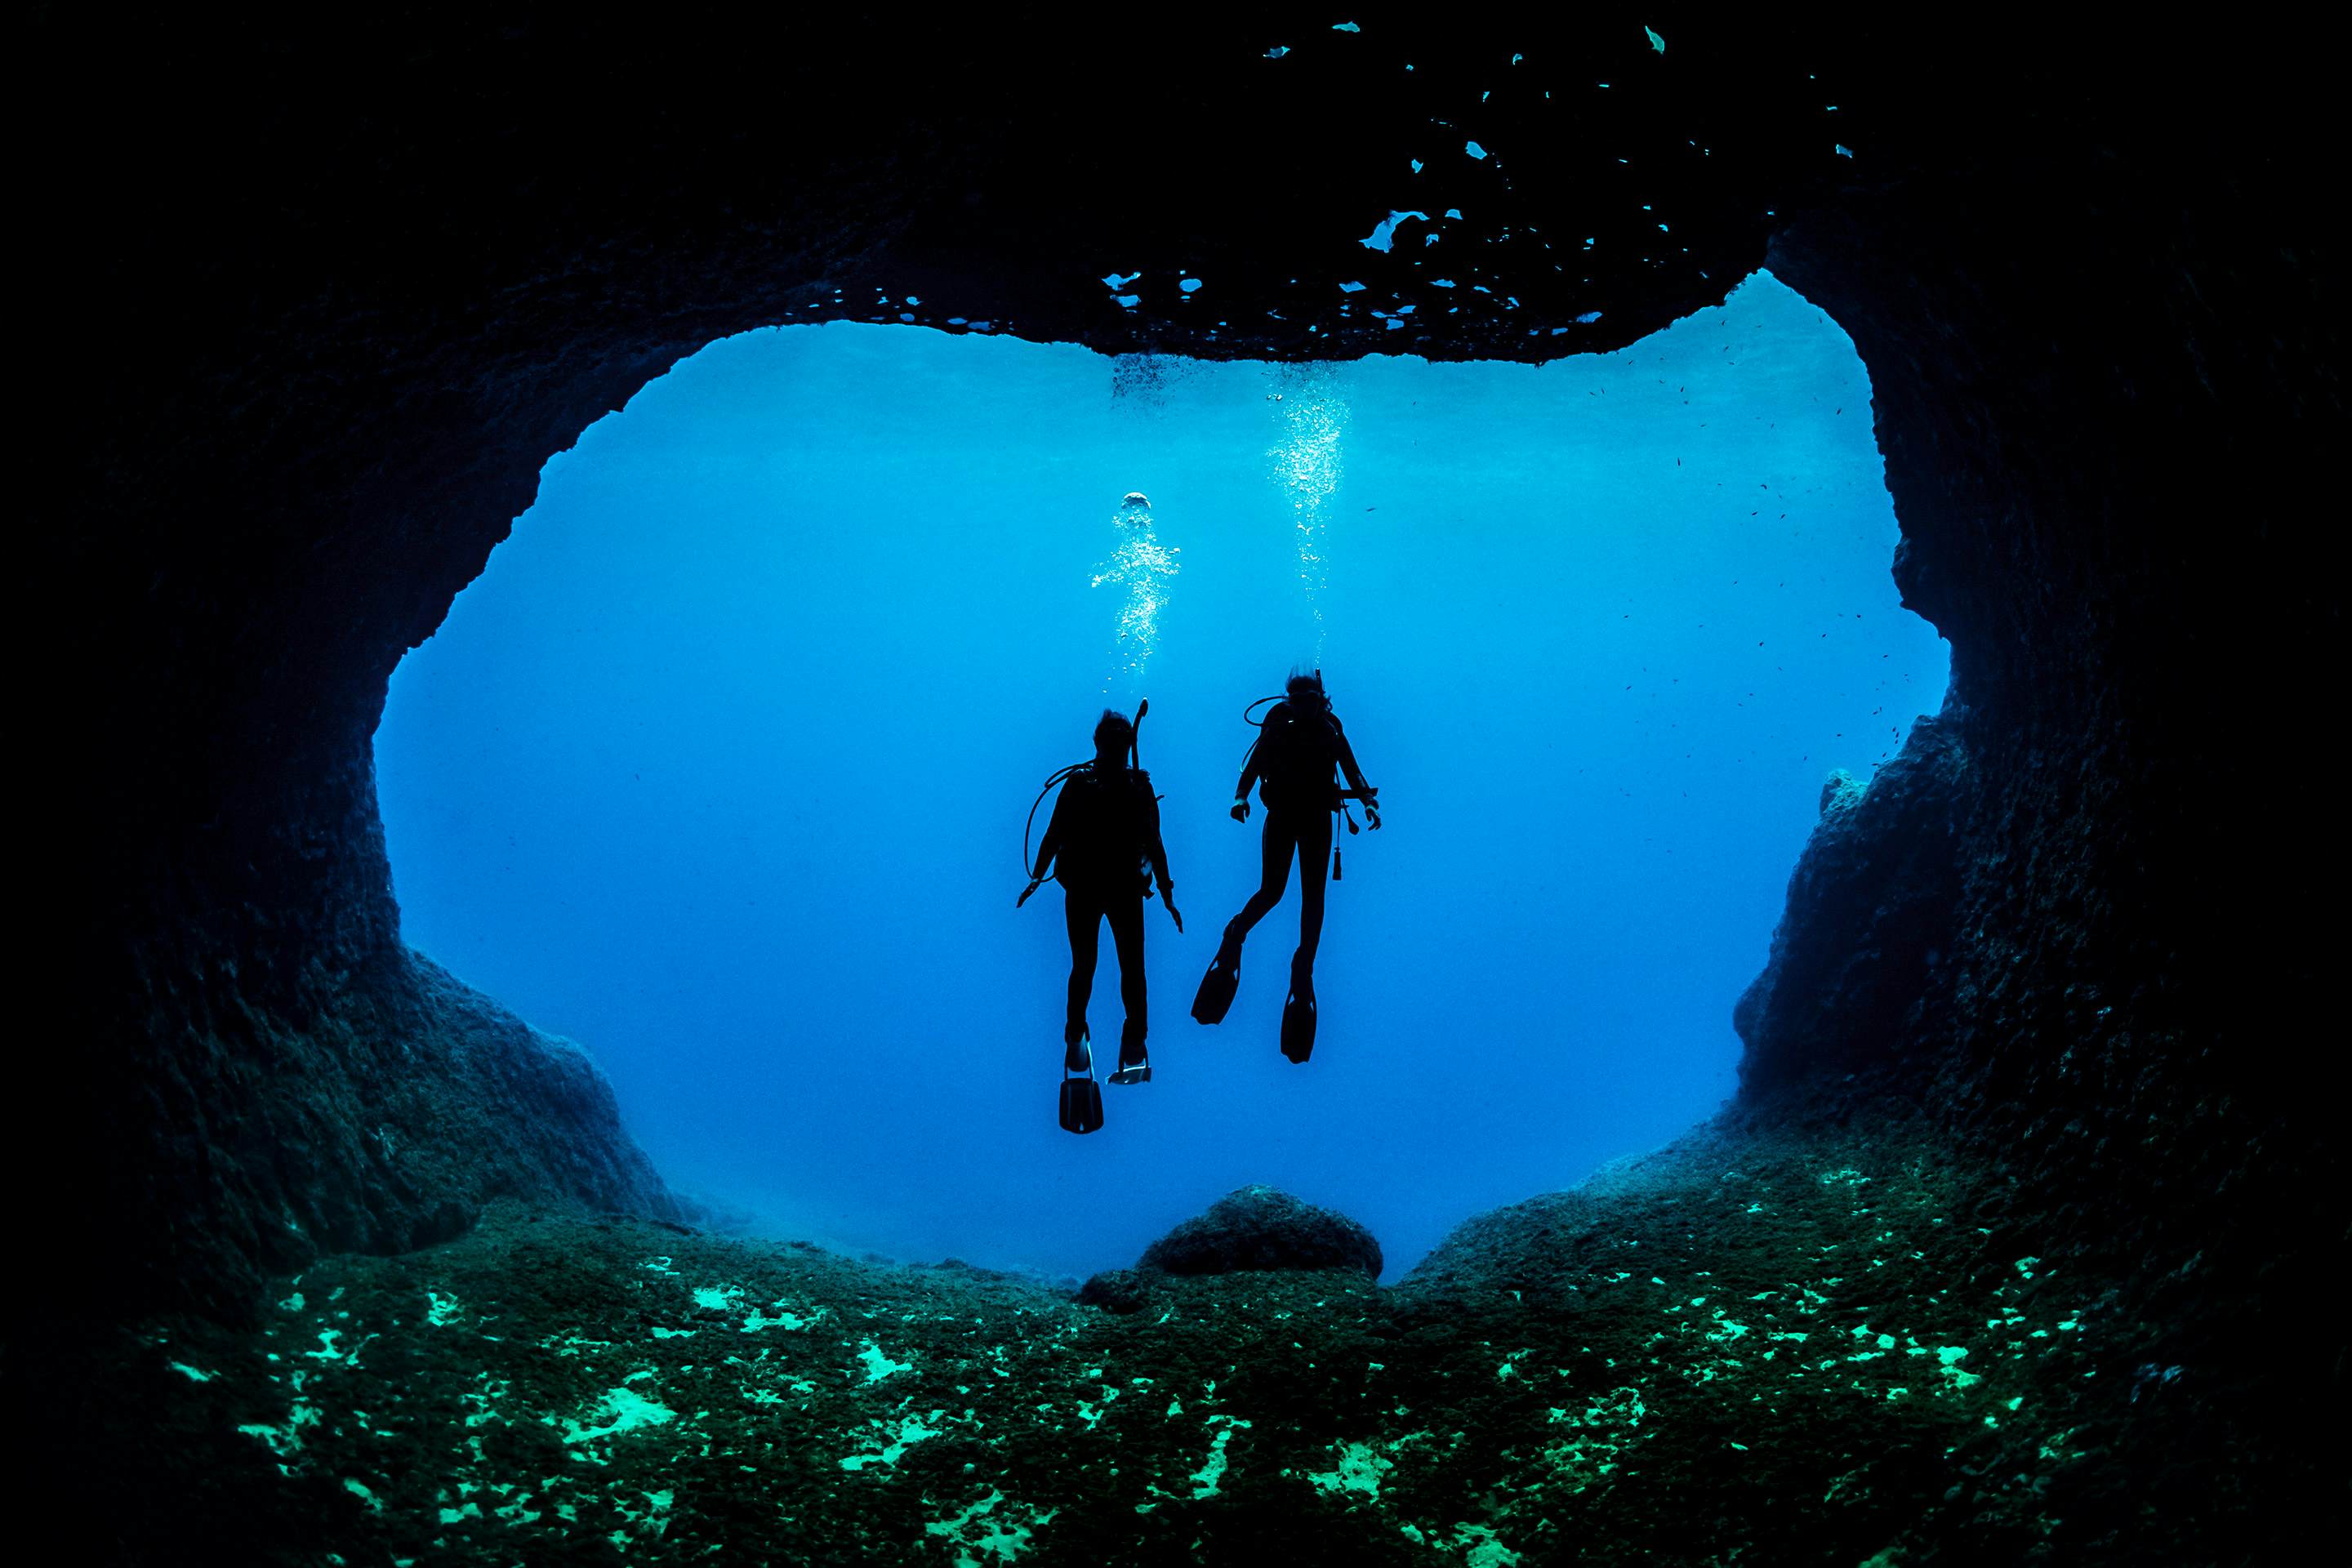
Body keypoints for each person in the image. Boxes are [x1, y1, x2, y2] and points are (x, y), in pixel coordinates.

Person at [1192, 670, 1379, 1061]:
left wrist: (1367, 799)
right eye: (1297, 700)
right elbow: (1253, 766)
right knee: (1273, 891)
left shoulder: (1331, 729)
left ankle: (1303, 966)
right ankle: (1235, 934)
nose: (1304, 706)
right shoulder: (1278, 728)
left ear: (1320, 700)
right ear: (1290, 702)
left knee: (1314, 897)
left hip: (1316, 819)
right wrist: (1240, 797)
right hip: (1283, 816)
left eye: (1310, 699)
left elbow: (1351, 765)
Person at [1021, 710, 1181, 1088]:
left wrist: (1168, 895)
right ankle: (1093, 1034)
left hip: (1103, 888)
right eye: (1112, 743)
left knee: (1109, 967)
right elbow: (1054, 833)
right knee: (1097, 967)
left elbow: (1154, 844)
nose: (1115, 749)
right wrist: (1036, 877)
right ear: (1100, 744)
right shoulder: (1089, 783)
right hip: (1098, 888)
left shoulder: (1130, 786)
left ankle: (1113, 1037)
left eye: (1120, 743)